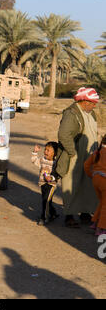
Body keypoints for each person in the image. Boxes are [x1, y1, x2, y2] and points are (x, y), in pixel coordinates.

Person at [56, 87, 100, 228]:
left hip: (89, 155)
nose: (94, 106)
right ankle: (69, 215)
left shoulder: (91, 114)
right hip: (74, 155)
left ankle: (85, 213)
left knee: (87, 185)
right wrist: (72, 153)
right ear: (85, 101)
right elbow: (64, 135)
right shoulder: (72, 113)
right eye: (93, 103)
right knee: (71, 184)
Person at [31, 142, 59, 226]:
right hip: (42, 184)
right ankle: (53, 213)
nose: (46, 152)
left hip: (51, 185)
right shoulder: (42, 160)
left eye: (48, 150)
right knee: (47, 201)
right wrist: (35, 152)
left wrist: (52, 178)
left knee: (45, 201)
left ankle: (44, 217)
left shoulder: (56, 163)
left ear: (55, 153)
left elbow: (58, 174)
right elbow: (34, 161)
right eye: (45, 150)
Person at [84, 134, 106, 236]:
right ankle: (101, 228)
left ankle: (94, 222)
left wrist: (92, 175)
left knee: (102, 202)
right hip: (104, 181)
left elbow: (86, 165)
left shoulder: (97, 152)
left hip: (96, 180)